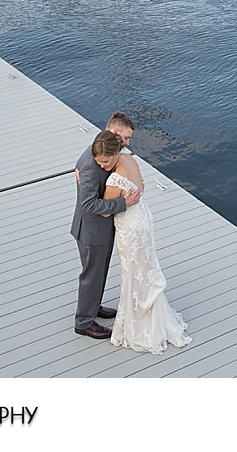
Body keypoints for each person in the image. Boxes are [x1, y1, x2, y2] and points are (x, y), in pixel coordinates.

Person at [100, 130, 192, 354]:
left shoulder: (114, 180)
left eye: (104, 161)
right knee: (146, 268)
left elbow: (103, 211)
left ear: (114, 154)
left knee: (132, 272)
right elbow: (140, 187)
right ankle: (151, 315)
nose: (101, 165)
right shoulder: (130, 158)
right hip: (143, 219)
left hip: (130, 228)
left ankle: (139, 325)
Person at [71, 112, 140, 339]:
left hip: (99, 229)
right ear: (115, 134)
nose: (128, 143)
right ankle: (84, 322)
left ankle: (93, 306)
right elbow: (89, 204)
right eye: (126, 138)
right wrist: (123, 202)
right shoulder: (93, 164)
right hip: (92, 231)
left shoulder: (102, 150)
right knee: (92, 275)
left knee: (98, 273)